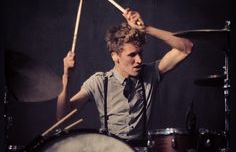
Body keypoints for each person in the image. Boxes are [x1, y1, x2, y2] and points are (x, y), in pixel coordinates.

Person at [56, 9, 193, 141]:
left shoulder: (151, 73)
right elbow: (63, 118)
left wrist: (146, 28)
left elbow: (186, 47)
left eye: (140, 53)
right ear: (115, 56)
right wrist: (66, 76)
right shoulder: (99, 82)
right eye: (132, 55)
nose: (139, 60)